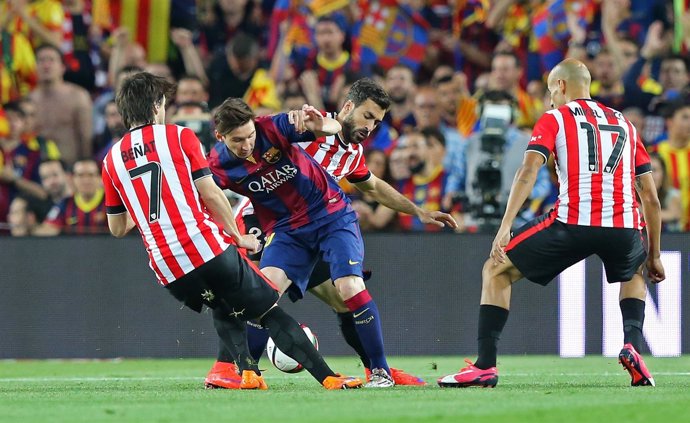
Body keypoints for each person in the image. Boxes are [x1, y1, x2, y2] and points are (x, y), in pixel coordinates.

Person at [100, 72, 362, 391]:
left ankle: (246, 373)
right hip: (202, 246)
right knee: (266, 309)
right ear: (157, 106)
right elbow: (210, 192)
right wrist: (238, 238)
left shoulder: (111, 160)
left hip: (168, 267)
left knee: (225, 304)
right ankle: (329, 378)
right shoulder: (178, 136)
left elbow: (117, 227)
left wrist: (143, 211)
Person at [206, 79, 456, 389]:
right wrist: (308, 119)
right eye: (368, 117)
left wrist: (418, 211)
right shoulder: (310, 126)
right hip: (263, 220)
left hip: (321, 221)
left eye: (378, 122)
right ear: (348, 107)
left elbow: (374, 186)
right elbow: (287, 127)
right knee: (260, 293)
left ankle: (377, 370)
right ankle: (230, 368)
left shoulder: (352, 153)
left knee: (343, 298)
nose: (372, 127)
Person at [438, 59, 666, 388]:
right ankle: (632, 344)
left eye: (550, 91)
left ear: (560, 86)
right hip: (623, 224)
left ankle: (485, 366)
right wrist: (654, 253)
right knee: (632, 272)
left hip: (573, 219)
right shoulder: (625, 123)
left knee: (495, 270)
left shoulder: (555, 118)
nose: (549, 100)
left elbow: (528, 170)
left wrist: (505, 226)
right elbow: (650, 196)